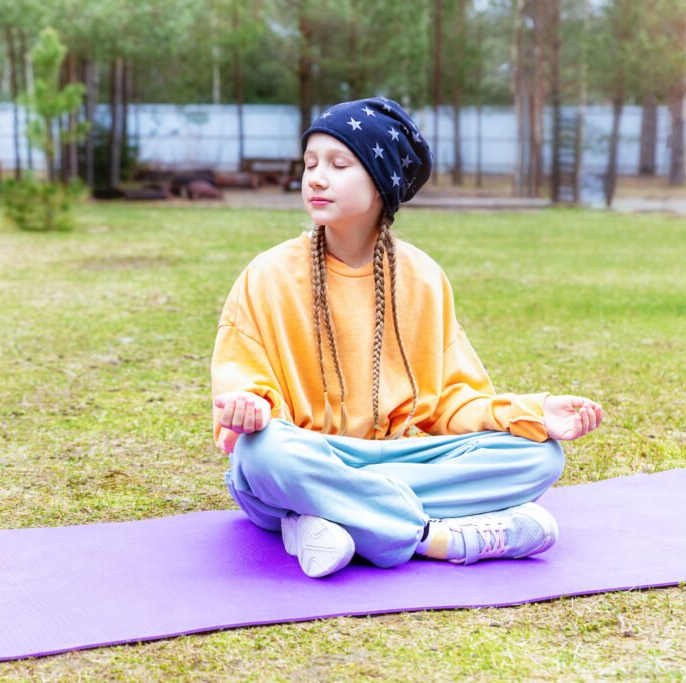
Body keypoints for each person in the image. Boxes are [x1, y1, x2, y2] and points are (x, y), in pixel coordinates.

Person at [210, 97, 604, 579]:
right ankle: (432, 537)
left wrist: (532, 413)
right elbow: (242, 385)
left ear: (381, 183)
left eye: (338, 164)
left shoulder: (423, 278)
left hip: (399, 454)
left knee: (539, 455)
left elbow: (453, 402)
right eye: (310, 163)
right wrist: (249, 406)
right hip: (309, 452)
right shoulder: (267, 274)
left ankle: (325, 515)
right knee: (262, 454)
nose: (315, 177)